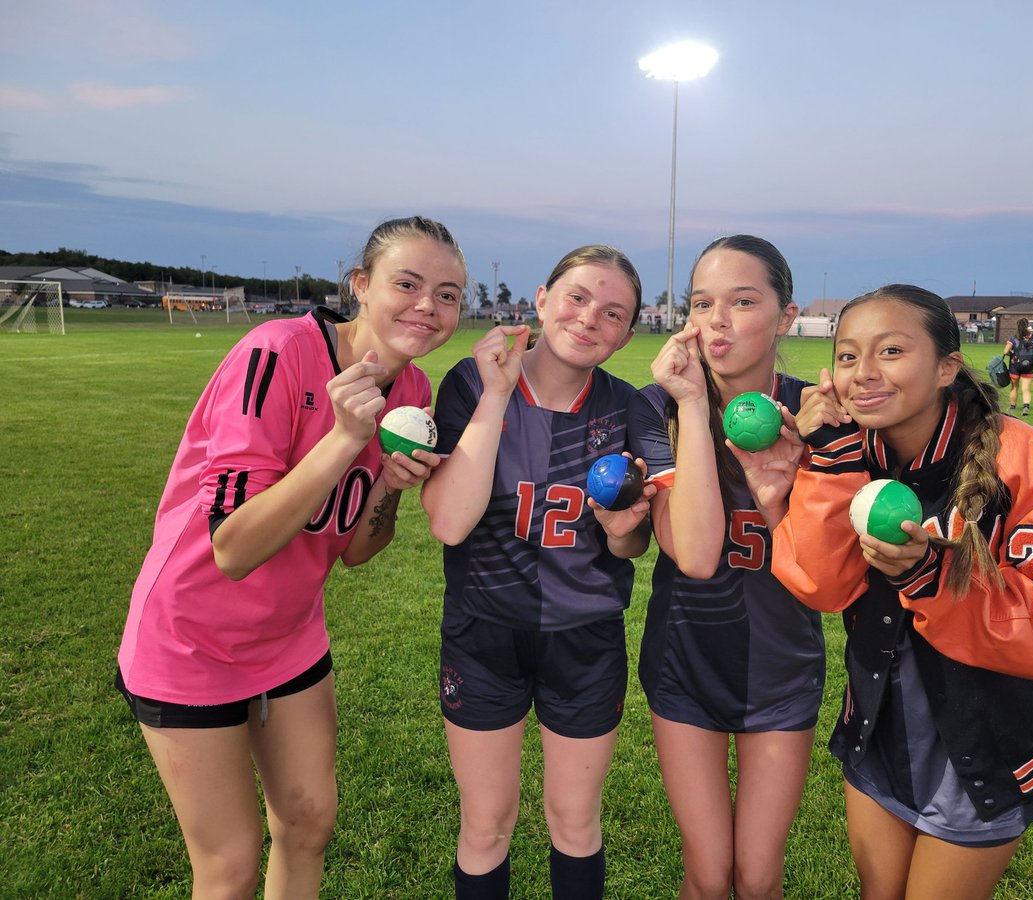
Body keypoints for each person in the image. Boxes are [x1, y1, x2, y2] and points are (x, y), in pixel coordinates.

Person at [115, 216, 468, 897]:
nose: (428, 305)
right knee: (229, 865)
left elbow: (360, 552)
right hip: (190, 636)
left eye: (448, 294)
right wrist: (342, 441)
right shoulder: (276, 352)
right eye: (408, 283)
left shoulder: (415, 393)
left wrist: (389, 490)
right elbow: (234, 550)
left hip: (288, 635)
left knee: (309, 822)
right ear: (361, 286)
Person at [742, 284, 1033, 899]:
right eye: (847, 355)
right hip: (881, 731)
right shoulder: (849, 449)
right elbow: (820, 585)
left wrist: (930, 577)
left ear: (946, 367)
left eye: (889, 351)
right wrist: (823, 462)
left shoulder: (1025, 462)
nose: (863, 374)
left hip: (987, 748)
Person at [421, 245, 651, 899]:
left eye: (612, 313)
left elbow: (632, 548)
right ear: (543, 300)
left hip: (586, 640)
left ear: (628, 334)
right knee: (486, 825)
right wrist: (495, 394)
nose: (589, 319)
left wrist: (625, 526)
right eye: (576, 298)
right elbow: (447, 523)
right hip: (484, 632)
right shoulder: (471, 383)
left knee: (575, 822)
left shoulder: (630, 409)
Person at [627, 235, 832, 899]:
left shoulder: (821, 416)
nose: (718, 320)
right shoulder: (655, 406)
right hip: (685, 658)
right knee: (709, 877)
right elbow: (694, 553)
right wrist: (690, 403)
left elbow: (830, 573)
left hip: (782, 664)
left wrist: (803, 469)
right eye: (702, 303)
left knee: (757, 876)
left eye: (743, 302)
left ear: (785, 314)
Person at [1001, 318, 1033, 416]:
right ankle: (1025, 407)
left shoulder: (1014, 338)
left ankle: (1012, 408)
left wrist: (1012, 355)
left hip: (1015, 366)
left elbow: (1005, 351)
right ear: (1028, 325)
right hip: (1029, 367)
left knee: (1014, 387)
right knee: (1026, 389)